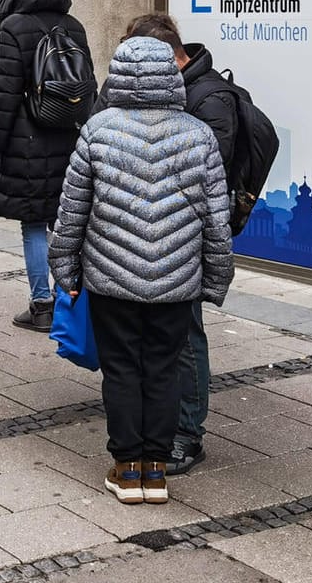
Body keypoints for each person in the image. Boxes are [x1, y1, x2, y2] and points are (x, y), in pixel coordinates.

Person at [49, 34, 232, 505]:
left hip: (113, 279)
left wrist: (65, 273)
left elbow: (72, 212)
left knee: (122, 371)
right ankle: (157, 468)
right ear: (172, 77)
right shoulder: (198, 135)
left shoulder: (98, 130)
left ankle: (126, 468)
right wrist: (215, 281)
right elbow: (216, 220)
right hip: (176, 281)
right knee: (164, 370)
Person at [112, 12, 241, 477]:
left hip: (181, 246)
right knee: (161, 345)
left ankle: (188, 431)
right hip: (150, 242)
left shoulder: (209, 102)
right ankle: (156, 428)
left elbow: (208, 189)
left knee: (186, 340)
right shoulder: (170, 98)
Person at [0, 0, 95, 333]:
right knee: (66, 223)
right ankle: (67, 298)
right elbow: (89, 91)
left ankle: (41, 304)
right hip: (69, 140)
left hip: (25, 143)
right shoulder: (76, 26)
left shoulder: (16, 28)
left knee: (33, 225)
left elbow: (5, 97)